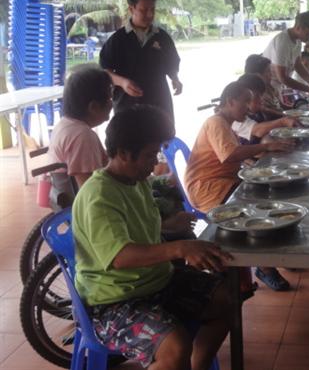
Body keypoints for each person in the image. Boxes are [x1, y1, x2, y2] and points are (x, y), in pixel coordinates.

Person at [72, 105, 232, 370]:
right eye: (149, 155)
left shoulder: (135, 181)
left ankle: (199, 366)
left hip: (156, 281)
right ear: (124, 153)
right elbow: (121, 256)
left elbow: (137, 227)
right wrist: (181, 248)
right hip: (113, 301)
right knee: (175, 348)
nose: (154, 162)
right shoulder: (99, 196)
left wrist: (169, 225)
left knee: (225, 299)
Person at [184, 82, 294, 291]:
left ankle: (275, 254)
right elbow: (229, 155)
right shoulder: (216, 122)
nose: (250, 108)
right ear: (230, 101)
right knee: (256, 206)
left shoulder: (226, 123)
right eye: (245, 102)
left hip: (222, 181)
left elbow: (233, 156)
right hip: (207, 188)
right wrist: (267, 146)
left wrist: (259, 160)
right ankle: (265, 266)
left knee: (267, 191)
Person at [100, 0, 182, 122]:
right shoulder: (118, 39)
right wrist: (123, 82)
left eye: (152, 9)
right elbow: (105, 72)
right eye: (143, 10)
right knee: (129, 135)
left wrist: (175, 78)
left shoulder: (162, 37)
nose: (149, 15)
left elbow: (171, 63)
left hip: (159, 102)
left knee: (160, 134)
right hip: (127, 104)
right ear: (131, 9)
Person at [47, 64, 112, 207]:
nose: (112, 104)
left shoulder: (65, 124)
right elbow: (90, 191)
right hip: (83, 208)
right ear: (93, 107)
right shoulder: (82, 136)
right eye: (109, 99)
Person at [262, 11, 309, 102]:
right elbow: (282, 77)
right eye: (308, 34)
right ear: (298, 27)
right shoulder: (283, 41)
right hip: (268, 88)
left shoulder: (298, 41)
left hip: (277, 87)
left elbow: (298, 66)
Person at [233, 74, 298, 145]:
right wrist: (282, 122)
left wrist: (286, 116)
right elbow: (258, 131)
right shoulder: (237, 119)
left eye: (261, 96)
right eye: (257, 96)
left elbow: (268, 111)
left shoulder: (257, 111)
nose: (261, 100)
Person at [244, 54, 284, 119]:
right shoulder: (252, 93)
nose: (271, 75)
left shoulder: (270, 88)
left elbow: (265, 109)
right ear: (257, 75)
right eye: (268, 71)